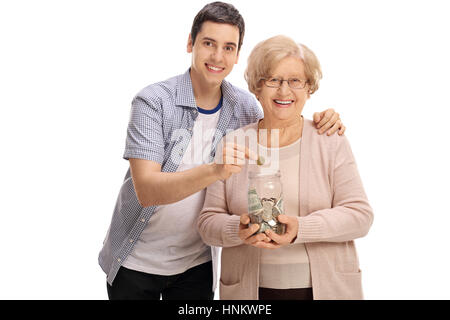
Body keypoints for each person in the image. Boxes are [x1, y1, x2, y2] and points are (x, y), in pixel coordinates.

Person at [99, 2, 345, 300]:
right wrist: (215, 170)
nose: (218, 56)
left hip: (196, 264)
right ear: (190, 43)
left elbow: (280, 118)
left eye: (228, 47)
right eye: (208, 44)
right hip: (136, 261)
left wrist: (323, 118)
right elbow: (148, 191)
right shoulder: (153, 102)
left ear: (237, 54)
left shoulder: (244, 108)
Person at [198, 35, 373, 300]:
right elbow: (208, 222)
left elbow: (360, 216)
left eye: (295, 81)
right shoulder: (234, 143)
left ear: (309, 88)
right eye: (273, 80)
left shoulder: (329, 139)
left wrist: (300, 229)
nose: (284, 91)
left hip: (325, 289)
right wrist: (239, 229)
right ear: (257, 88)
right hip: (249, 293)